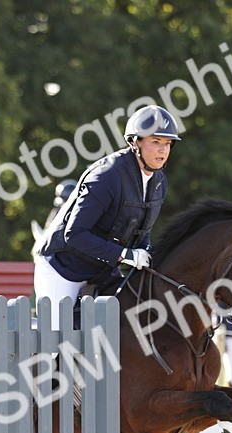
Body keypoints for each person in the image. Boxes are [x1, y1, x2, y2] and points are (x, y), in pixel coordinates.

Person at [35, 104, 179, 303]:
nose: (163, 150)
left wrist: (145, 251)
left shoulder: (159, 181)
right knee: (59, 324)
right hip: (63, 268)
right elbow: (75, 234)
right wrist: (125, 255)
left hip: (102, 270)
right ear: (134, 142)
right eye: (156, 142)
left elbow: (142, 229)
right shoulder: (107, 176)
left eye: (168, 143)